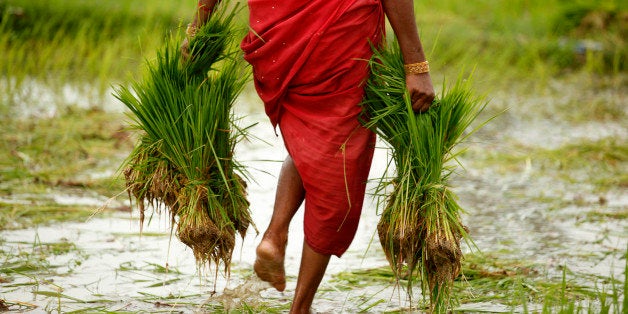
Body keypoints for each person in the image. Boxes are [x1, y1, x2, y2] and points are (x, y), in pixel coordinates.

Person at [183, 0, 435, 312]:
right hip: (339, 35)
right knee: (340, 159)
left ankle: (274, 236)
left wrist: (199, 26)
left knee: (314, 142)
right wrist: (416, 64)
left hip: (277, 33)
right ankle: (300, 308)